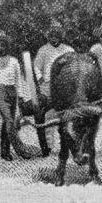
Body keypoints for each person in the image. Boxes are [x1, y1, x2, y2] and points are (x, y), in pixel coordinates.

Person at [33, 20, 73, 156]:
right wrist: (40, 77)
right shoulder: (43, 50)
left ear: (60, 36)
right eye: (51, 34)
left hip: (64, 86)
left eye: (56, 34)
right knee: (49, 114)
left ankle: (70, 144)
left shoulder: (68, 50)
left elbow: (74, 67)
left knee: (68, 114)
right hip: (48, 85)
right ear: (48, 36)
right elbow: (37, 66)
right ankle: (49, 146)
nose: (54, 37)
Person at [0, 31, 25, 161]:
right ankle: (12, 149)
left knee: (8, 122)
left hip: (12, 92)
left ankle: (5, 149)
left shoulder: (14, 61)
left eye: (3, 45)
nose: (0, 48)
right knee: (8, 120)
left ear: (7, 46)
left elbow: (18, 80)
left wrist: (20, 96)